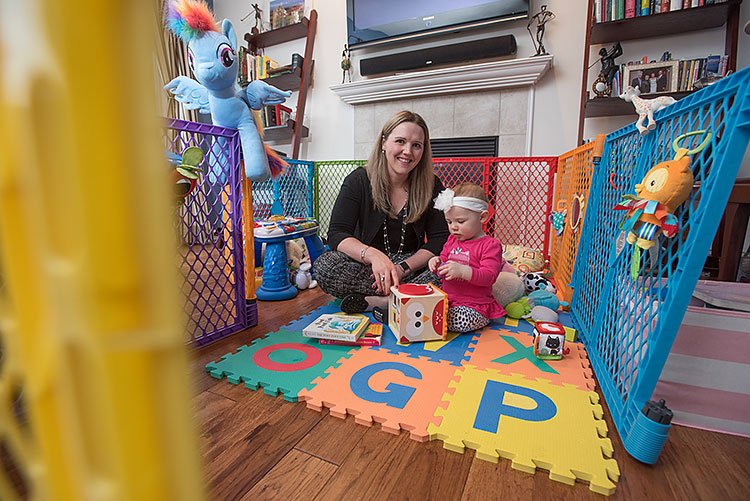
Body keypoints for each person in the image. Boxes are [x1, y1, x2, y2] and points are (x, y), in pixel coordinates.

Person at [313, 110, 449, 313]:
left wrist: (402, 268)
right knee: (324, 266)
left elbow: (440, 238)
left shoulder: (431, 185)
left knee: (451, 268)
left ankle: (383, 302)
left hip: (410, 267)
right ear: (384, 143)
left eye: (416, 145)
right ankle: (409, 297)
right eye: (400, 141)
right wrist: (374, 257)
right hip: (367, 267)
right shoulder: (358, 180)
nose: (408, 151)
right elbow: (337, 234)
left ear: (423, 151)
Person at [428, 183, 506, 333]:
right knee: (423, 305)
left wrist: (463, 271)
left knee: (460, 321)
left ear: (482, 217)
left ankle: (440, 321)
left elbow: (489, 276)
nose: (453, 227)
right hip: (447, 299)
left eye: (460, 221)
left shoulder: (490, 245)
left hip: (474, 304)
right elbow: (443, 261)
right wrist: (436, 262)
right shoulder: (452, 240)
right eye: (449, 222)